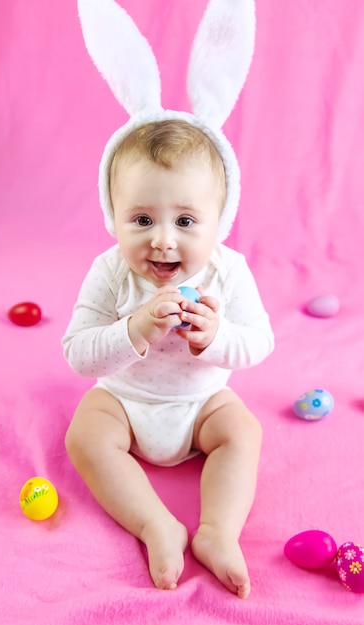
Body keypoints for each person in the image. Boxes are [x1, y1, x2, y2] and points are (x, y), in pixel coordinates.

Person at [62, 119, 274, 599]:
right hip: (124, 400)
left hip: (202, 402)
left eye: (184, 221)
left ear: (218, 222)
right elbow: (77, 352)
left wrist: (215, 338)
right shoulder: (110, 271)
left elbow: (260, 342)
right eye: (141, 220)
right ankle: (157, 524)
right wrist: (133, 330)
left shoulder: (230, 271)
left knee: (243, 432)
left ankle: (217, 532)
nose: (162, 240)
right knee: (85, 435)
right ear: (112, 217)